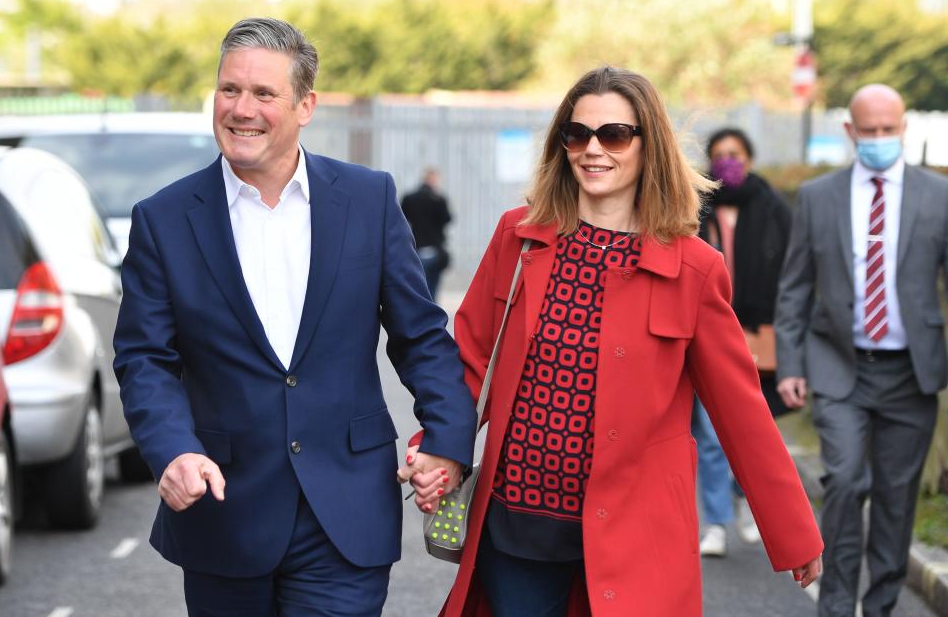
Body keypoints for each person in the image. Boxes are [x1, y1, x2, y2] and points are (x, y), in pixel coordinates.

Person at [399, 66, 822, 617]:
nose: (592, 149)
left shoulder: (694, 267)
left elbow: (742, 413)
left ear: (650, 146)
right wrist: (437, 449)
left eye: (614, 135)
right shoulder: (518, 237)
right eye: (577, 134)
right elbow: (470, 362)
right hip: (518, 523)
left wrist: (793, 532)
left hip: (636, 533)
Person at [112, 17, 476, 617]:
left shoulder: (369, 198)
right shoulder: (163, 218)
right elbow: (144, 357)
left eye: (263, 94)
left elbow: (421, 336)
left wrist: (447, 440)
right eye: (229, 89)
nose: (241, 108)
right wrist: (172, 449)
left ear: (306, 105)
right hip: (224, 512)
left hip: (347, 512)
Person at [776, 84, 948, 617]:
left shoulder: (938, 196)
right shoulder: (818, 196)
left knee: (897, 504)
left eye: (887, 130)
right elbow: (796, 286)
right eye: (867, 131)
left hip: (910, 373)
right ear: (849, 132)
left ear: (903, 129)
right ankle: (834, 606)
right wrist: (790, 364)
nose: (877, 139)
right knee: (847, 481)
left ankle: (879, 607)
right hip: (838, 368)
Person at [694, 127, 793, 557]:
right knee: (712, 437)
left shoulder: (773, 208)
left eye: (734, 153)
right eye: (719, 155)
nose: (727, 161)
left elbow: (792, 273)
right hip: (705, 333)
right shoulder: (694, 207)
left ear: (749, 158)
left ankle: (743, 496)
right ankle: (716, 522)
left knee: (753, 429)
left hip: (756, 333)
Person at [402, 167, 453, 300]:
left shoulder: (409, 198)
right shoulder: (439, 200)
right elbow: (447, 219)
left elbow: (402, 219)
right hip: (435, 250)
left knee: (418, 290)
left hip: (416, 249)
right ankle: (433, 318)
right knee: (433, 291)